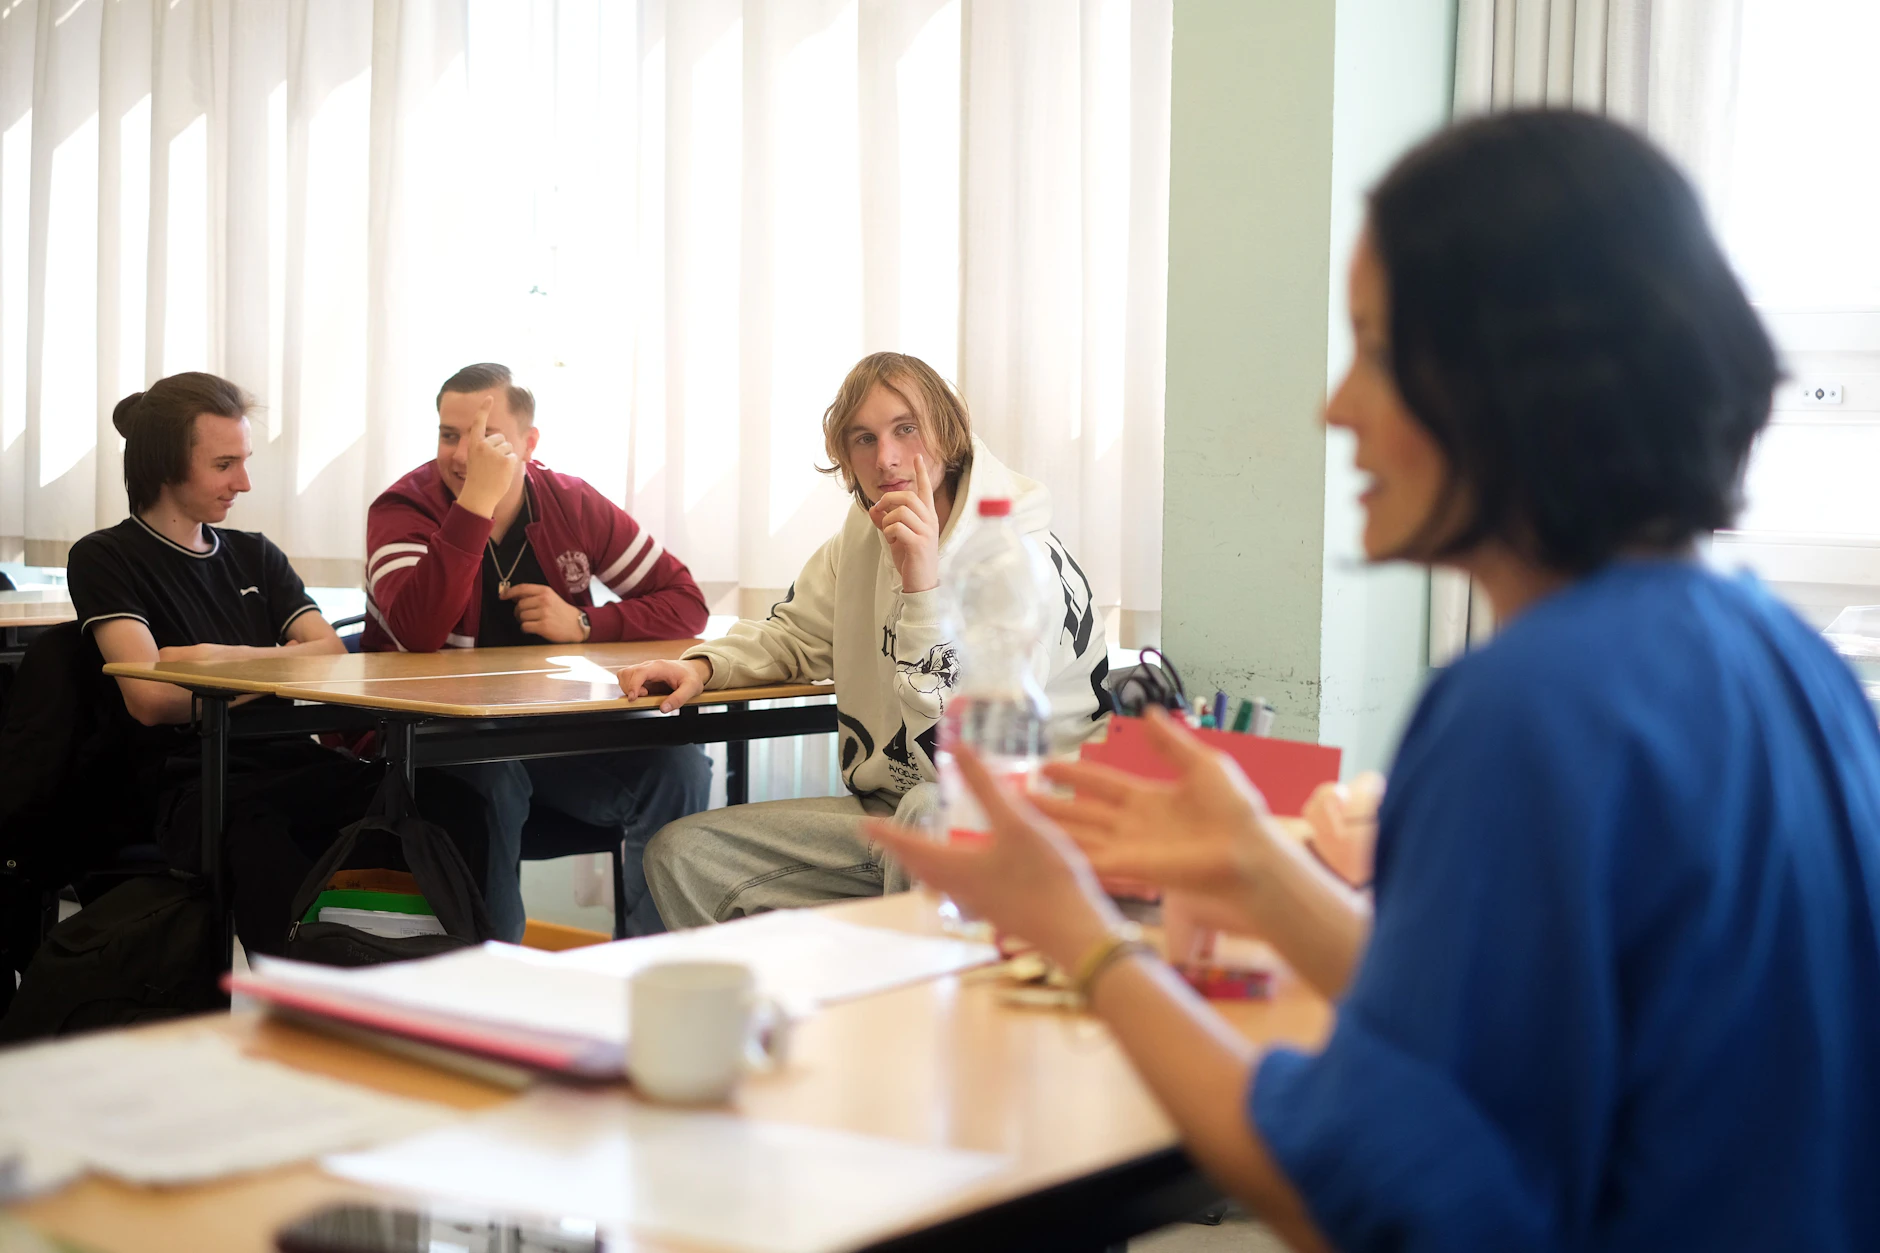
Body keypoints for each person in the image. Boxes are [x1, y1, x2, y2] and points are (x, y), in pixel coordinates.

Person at [866, 112, 1880, 1252]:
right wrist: (1257, 866)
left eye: (1375, 350)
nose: (1332, 406)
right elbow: (1498, 1033)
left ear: (1515, 377)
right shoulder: (1791, 664)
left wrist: (1078, 935)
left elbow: (1344, 1189)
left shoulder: (1527, 705)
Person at [617, 352, 1112, 927]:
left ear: (949, 436)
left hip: (1023, 818)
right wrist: (705, 667)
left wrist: (922, 581)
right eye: (863, 439)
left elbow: (959, 759)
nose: (887, 457)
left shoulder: (1016, 557)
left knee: (934, 810)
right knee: (685, 855)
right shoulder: (862, 534)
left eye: (906, 429)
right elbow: (795, 636)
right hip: (891, 811)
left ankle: (921, 1007)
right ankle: (780, 1013)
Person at [67, 372, 489, 956]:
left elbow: (333, 657)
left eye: (242, 461)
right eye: (223, 465)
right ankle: (305, 1011)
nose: (243, 481)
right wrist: (284, 662)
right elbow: (151, 698)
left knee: (457, 802)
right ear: (165, 466)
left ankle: (453, 982)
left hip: (291, 761)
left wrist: (222, 661)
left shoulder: (255, 554)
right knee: (262, 837)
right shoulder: (105, 557)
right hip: (196, 781)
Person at [364, 363, 712, 939]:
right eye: (450, 435)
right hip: (432, 742)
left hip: (551, 736)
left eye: (485, 438)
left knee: (676, 768)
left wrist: (584, 623)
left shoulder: (569, 502)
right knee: (493, 778)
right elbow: (417, 632)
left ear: (529, 444)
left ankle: (651, 967)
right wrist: (476, 501)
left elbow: (684, 600)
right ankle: (502, 986)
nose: (463, 455)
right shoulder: (403, 509)